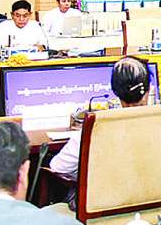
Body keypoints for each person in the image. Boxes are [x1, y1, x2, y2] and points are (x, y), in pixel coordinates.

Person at [48, 57, 153, 185]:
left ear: (116, 92)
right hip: (160, 196)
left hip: (106, 197)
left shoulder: (95, 129)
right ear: (149, 89)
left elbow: (58, 168)